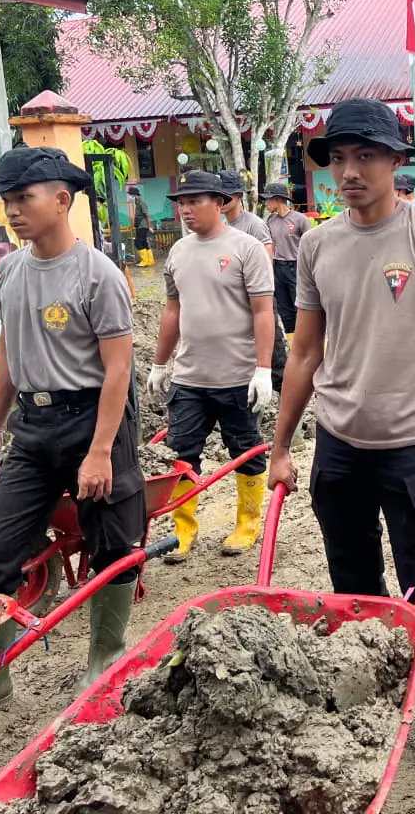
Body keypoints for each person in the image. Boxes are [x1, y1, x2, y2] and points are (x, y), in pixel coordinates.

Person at [268, 97, 415, 783]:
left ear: (397, 161)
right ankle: (373, 701)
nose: (349, 171)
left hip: (412, 449)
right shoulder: (316, 244)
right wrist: (283, 448)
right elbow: (304, 354)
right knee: (353, 589)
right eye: (338, 158)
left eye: (365, 155)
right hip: (338, 447)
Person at [0, 147, 145, 732]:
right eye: (7, 200)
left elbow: (118, 370)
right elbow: (9, 350)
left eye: (23, 198)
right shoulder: (11, 270)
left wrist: (101, 450)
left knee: (112, 545)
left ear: (62, 200)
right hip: (32, 431)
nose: (13, 210)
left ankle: (104, 661)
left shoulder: (98, 276)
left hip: (93, 420)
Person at [147, 170, 275, 563]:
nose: (185, 210)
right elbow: (173, 310)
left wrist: (263, 369)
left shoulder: (246, 248)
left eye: (194, 201)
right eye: (181, 203)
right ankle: (183, 530)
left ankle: (247, 524)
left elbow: (263, 311)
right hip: (189, 376)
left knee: (245, 449)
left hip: (236, 375)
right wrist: (159, 363)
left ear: (219, 203)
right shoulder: (179, 253)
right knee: (181, 451)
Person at [221, 171, 287, 392]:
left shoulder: (253, 225)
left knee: (273, 354)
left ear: (239, 197)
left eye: (226, 196)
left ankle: (288, 409)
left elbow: (267, 261)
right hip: (232, 301)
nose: (221, 201)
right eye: (217, 196)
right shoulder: (221, 226)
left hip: (257, 298)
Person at [262, 182, 310, 335]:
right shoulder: (270, 221)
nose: (266, 203)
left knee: (301, 307)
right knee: (284, 309)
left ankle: (306, 342)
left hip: (296, 266)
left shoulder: (299, 219)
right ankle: (291, 345)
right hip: (278, 267)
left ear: (277, 199)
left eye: (268, 200)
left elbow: (311, 243)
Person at [127, 184, 155, 267]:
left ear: (134, 195)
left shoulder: (141, 203)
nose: (129, 196)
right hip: (140, 225)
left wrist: (149, 226)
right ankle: (150, 260)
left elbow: (147, 215)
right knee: (144, 242)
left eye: (130, 195)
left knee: (138, 242)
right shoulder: (137, 202)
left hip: (143, 225)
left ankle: (145, 261)